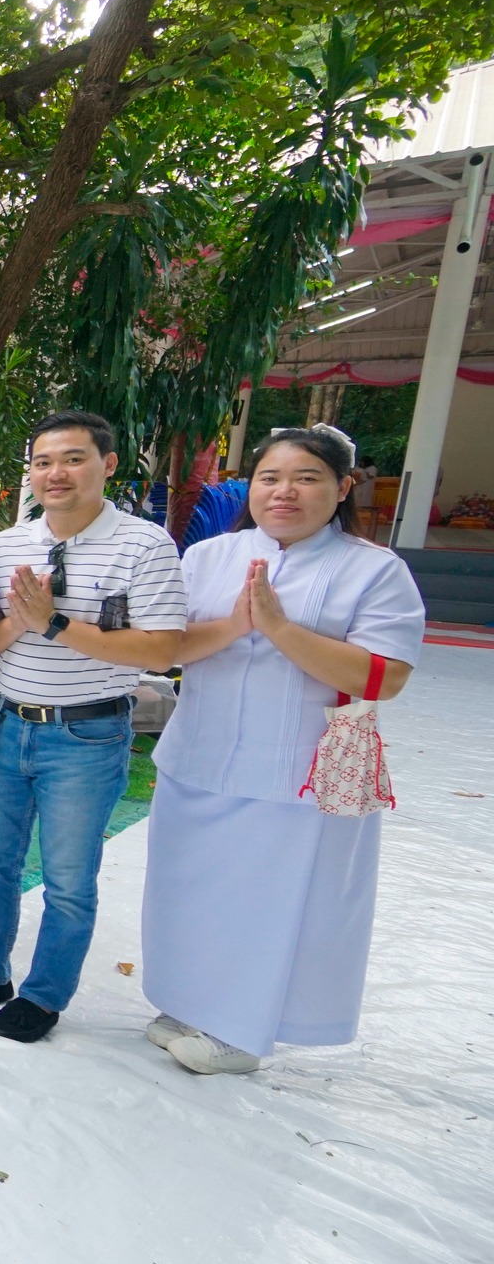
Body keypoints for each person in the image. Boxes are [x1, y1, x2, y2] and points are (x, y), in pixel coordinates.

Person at [140, 426, 424, 1075]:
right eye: (270, 478)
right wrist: (235, 626)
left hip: (294, 770)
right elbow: (166, 647)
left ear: (343, 487)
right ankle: (185, 1002)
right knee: (186, 889)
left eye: (306, 478)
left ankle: (240, 1032)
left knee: (266, 903)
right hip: (199, 753)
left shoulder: (374, 570)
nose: (284, 492)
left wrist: (277, 627)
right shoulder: (209, 556)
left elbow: (386, 676)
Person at [0, 412, 186, 1041]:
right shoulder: (6, 545)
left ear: (109, 464)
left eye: (72, 459)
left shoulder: (145, 546)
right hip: (5, 724)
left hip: (86, 736)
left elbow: (161, 651)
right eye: (43, 462)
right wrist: (20, 622)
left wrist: (54, 624)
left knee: (68, 878)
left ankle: (44, 996)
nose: (55, 473)